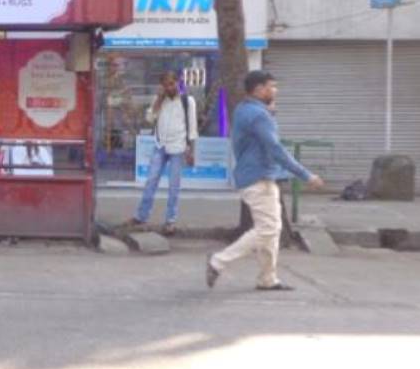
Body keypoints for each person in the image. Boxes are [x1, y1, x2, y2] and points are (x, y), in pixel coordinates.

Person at [206, 71, 325, 292]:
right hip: (258, 178)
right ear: (259, 89)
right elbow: (275, 149)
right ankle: (218, 261)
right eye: (272, 86)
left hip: (257, 176)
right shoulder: (259, 116)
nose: (275, 90)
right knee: (268, 229)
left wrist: (270, 114)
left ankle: (267, 278)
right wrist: (305, 175)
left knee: (273, 229)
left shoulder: (245, 109)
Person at [129, 71, 197, 236]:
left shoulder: (187, 101)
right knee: (151, 181)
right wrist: (158, 100)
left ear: (177, 83)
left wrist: (192, 150)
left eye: (171, 84)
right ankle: (141, 216)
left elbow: (192, 127)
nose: (169, 87)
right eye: (165, 85)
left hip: (178, 147)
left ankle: (170, 221)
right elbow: (149, 119)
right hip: (160, 145)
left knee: (174, 186)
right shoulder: (159, 100)